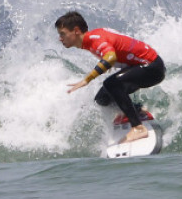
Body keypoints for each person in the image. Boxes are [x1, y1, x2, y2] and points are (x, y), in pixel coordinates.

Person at [55, 11, 166, 143]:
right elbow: (118, 43)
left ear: (76, 31)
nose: (60, 38)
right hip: (142, 66)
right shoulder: (94, 37)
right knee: (102, 99)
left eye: (63, 34)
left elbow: (111, 57)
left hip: (152, 68)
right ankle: (138, 111)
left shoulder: (94, 40)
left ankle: (138, 128)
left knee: (111, 84)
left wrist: (87, 79)